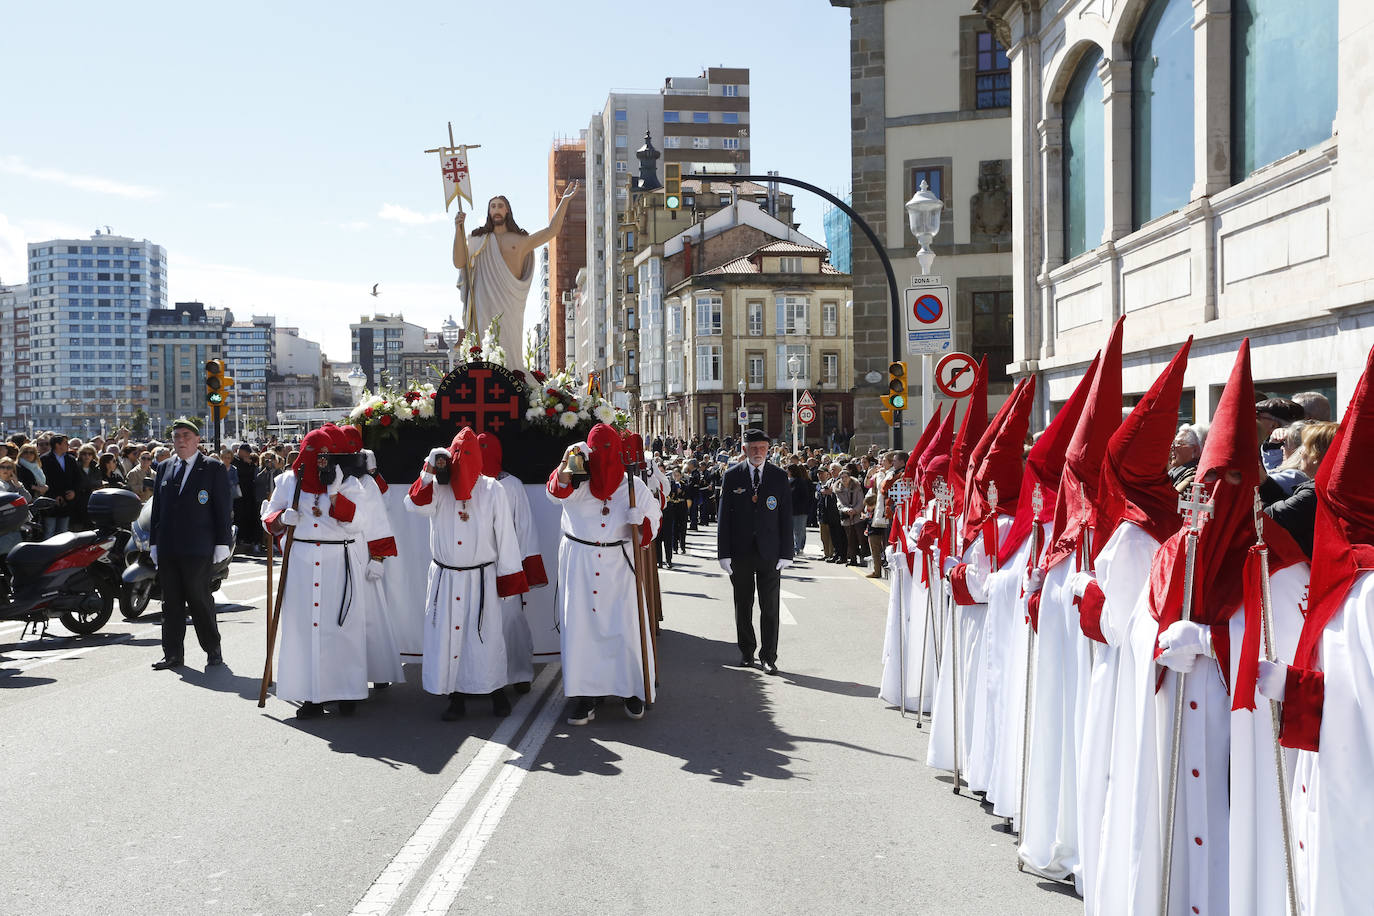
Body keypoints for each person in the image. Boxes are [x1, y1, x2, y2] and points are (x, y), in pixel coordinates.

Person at [547, 423, 660, 725]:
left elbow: (653, 522)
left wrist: (642, 525)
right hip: (581, 565)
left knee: (624, 628)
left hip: (619, 565)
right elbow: (556, 491)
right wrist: (569, 459)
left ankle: (632, 689)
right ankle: (586, 695)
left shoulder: (632, 486)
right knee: (583, 631)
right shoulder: (578, 480)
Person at [261, 427, 369, 716]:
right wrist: (282, 518)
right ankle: (312, 695)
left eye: (324, 455)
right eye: (313, 454)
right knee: (305, 628)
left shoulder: (348, 482)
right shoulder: (287, 481)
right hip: (302, 562)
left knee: (340, 626)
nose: (319, 461)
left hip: (337, 559)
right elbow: (268, 518)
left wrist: (334, 495)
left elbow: (358, 523)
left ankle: (346, 692)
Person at [452, 184, 579, 366]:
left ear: (507, 210)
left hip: (510, 304)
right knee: (484, 347)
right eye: (493, 206)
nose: (496, 210)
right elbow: (459, 262)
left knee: (509, 348)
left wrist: (564, 201)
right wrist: (458, 229)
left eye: (500, 206)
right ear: (489, 211)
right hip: (483, 302)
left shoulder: (520, 241)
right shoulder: (477, 239)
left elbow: (552, 231)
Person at [148, 417, 232, 671]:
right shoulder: (164, 467)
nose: (181, 440)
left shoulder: (212, 468)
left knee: (199, 599)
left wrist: (222, 542)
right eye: (176, 436)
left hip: (198, 547)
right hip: (169, 547)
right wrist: (154, 543)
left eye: (186, 436)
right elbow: (157, 510)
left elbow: (222, 508)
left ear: (197, 440)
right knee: (170, 602)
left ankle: (212, 648)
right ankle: (172, 654)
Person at [717, 428, 793, 673]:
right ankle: (747, 652)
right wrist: (723, 553)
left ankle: (769, 656)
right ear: (744, 450)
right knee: (743, 604)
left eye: (762, 448)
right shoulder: (732, 476)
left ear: (768, 450)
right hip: (740, 553)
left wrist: (786, 553)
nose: (758, 452)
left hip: (770, 553)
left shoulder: (779, 476)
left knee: (770, 607)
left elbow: (786, 517)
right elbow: (723, 518)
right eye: (753, 448)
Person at [39, 434, 80, 537]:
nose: (68, 445)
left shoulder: (71, 459)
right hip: (50, 503)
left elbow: (77, 478)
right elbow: (43, 480)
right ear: (57, 445)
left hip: (66, 502)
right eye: (65, 443)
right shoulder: (44, 459)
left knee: (63, 533)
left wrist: (74, 491)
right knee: (49, 531)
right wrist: (54, 496)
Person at [232, 443, 260, 554]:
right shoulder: (234, 460)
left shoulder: (250, 462)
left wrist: (250, 464)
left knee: (248, 517)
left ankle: (247, 540)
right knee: (238, 517)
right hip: (237, 496)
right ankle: (239, 540)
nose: (248, 454)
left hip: (248, 495)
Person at [833, 466, 865, 567]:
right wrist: (847, 510)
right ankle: (852, 558)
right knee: (850, 538)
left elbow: (861, 500)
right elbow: (840, 503)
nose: (844, 479)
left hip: (857, 515)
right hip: (847, 516)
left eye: (846, 477)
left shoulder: (856, 486)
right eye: (842, 477)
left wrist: (855, 510)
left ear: (849, 477)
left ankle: (864, 557)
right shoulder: (838, 489)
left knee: (860, 537)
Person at [788, 464, 815, 557]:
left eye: (788, 470)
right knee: (791, 531)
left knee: (799, 531)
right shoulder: (788, 482)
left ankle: (798, 548)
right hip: (790, 510)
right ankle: (793, 548)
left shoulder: (800, 482)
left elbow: (805, 497)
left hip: (800, 511)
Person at [1167, 424, 1203, 493]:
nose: (1173, 447)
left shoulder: (1193, 474)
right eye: (1173, 443)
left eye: (1179, 443)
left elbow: (1172, 499)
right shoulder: (1172, 472)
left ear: (1194, 450)